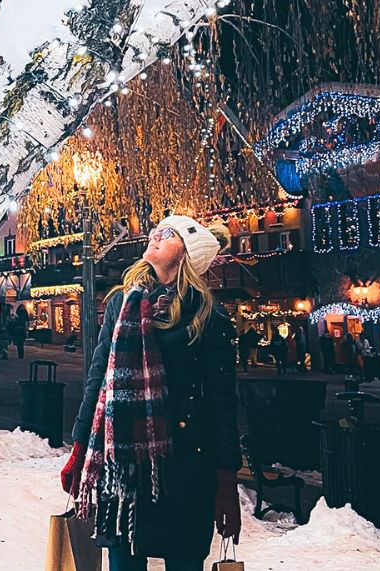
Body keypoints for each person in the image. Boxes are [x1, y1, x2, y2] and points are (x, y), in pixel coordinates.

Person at [60, 216, 241, 571]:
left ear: (187, 255)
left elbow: (222, 403)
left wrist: (227, 478)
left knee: (185, 561)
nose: (156, 235)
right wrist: (80, 446)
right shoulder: (121, 305)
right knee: (123, 559)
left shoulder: (209, 317)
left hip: (187, 465)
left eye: (169, 233)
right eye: (157, 230)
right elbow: (99, 380)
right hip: (126, 470)